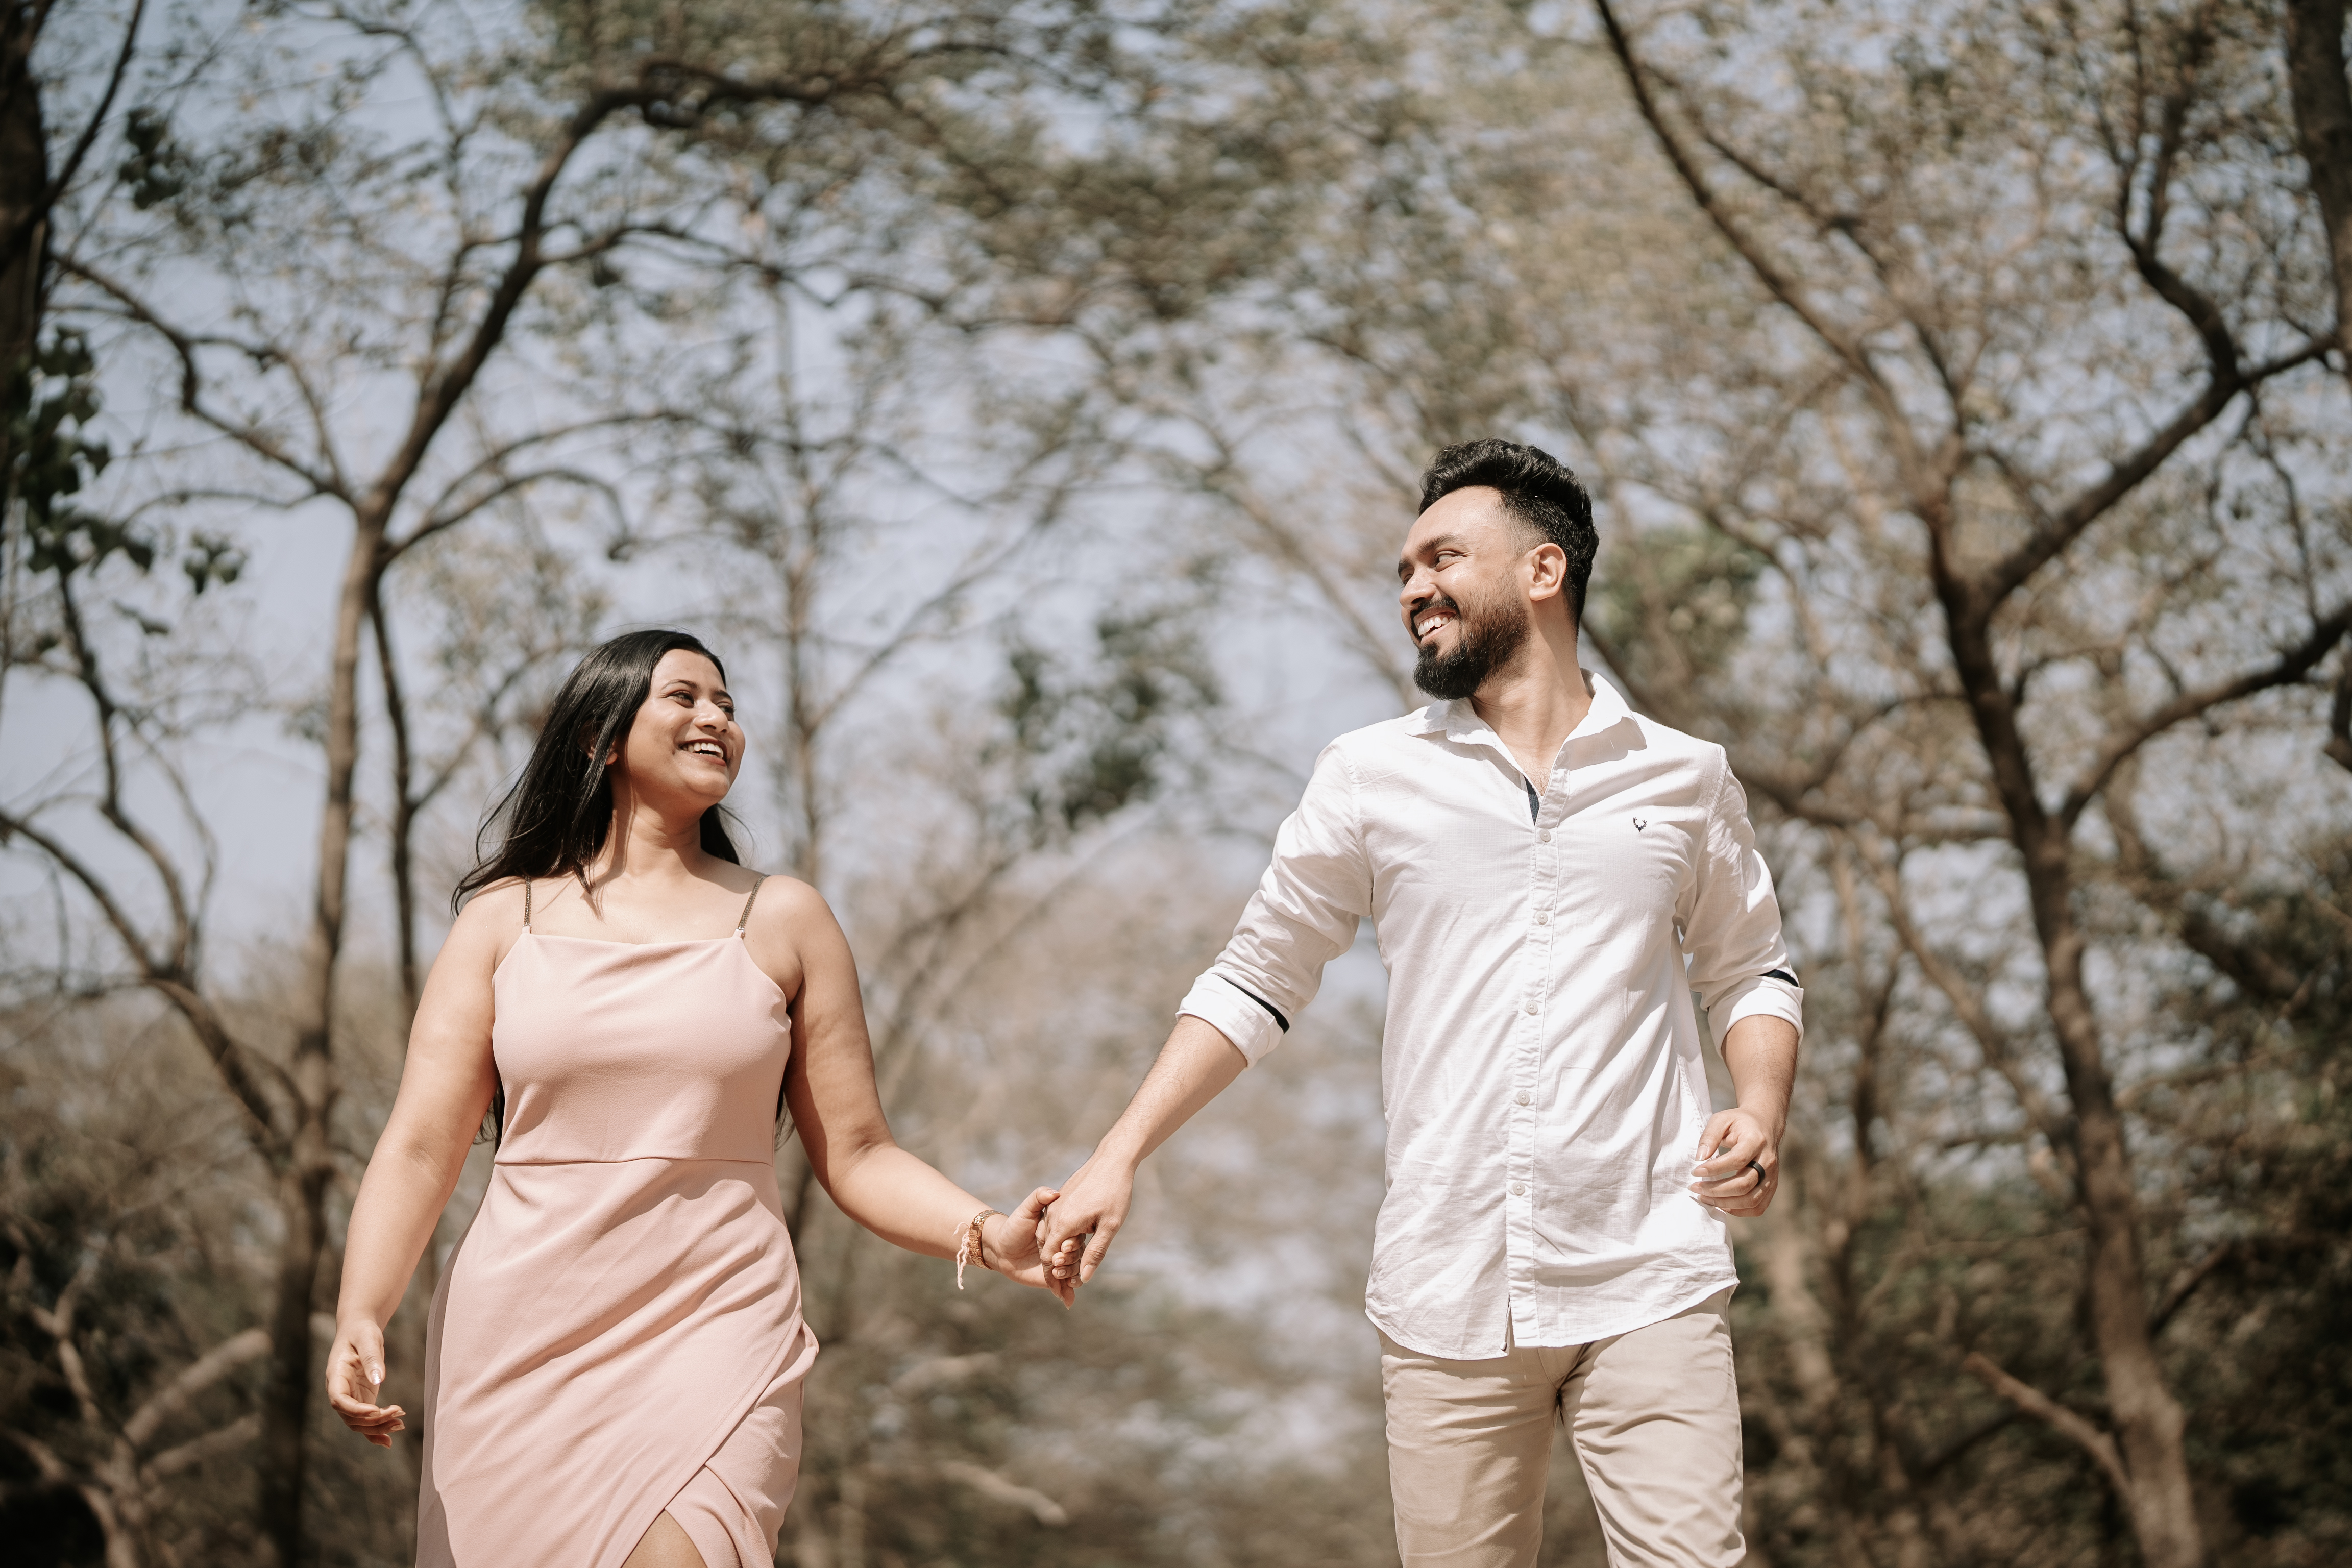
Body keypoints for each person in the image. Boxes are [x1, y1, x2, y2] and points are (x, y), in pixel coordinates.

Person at [1039, 440, 1804, 1567]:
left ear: (1544, 572)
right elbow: (1259, 976)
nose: (1412, 589)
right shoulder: (1368, 776)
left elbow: (1751, 968)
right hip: (1447, 1288)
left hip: (1649, 1262)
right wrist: (1119, 1153)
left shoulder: (1683, 775)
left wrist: (1761, 1105)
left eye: (1442, 557)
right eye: (1403, 569)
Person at [327, 629, 1068, 1568]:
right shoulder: (500, 922)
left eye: (725, 702)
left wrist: (989, 1233)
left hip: (717, 1320)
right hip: (521, 1335)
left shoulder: (785, 918)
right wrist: (362, 1309)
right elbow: (421, 1147)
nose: (715, 716)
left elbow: (861, 1152)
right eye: (683, 697)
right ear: (601, 734)